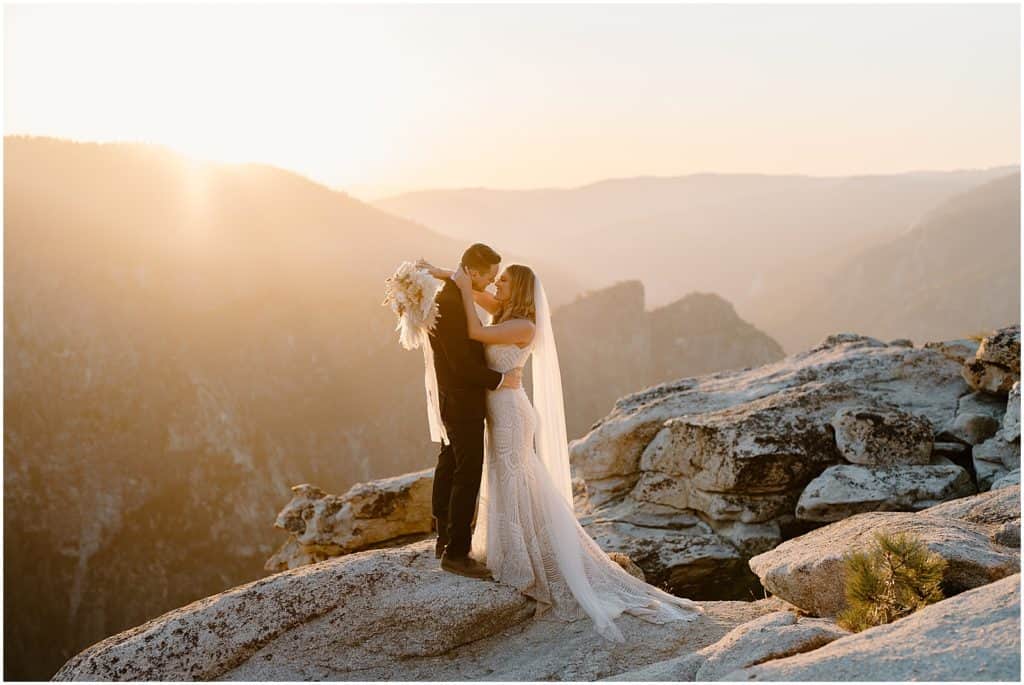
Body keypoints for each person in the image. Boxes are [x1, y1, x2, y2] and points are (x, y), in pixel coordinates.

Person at [419, 258, 703, 642]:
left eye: (503, 281)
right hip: (497, 410)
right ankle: (513, 552)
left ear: (517, 287)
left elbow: (471, 327)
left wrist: (459, 284)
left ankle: (531, 559)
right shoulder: (504, 313)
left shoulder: (523, 325)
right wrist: (442, 274)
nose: (496, 285)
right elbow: (474, 293)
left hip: (511, 413)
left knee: (516, 478)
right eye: (495, 279)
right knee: (506, 479)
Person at [424, 244, 523, 581]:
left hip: (454, 398)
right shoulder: (451, 304)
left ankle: (443, 539)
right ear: (473, 272)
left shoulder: (452, 294)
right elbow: (462, 364)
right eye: (490, 276)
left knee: (450, 461)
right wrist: (500, 378)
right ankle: (456, 554)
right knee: (467, 472)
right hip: (462, 399)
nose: (492, 282)